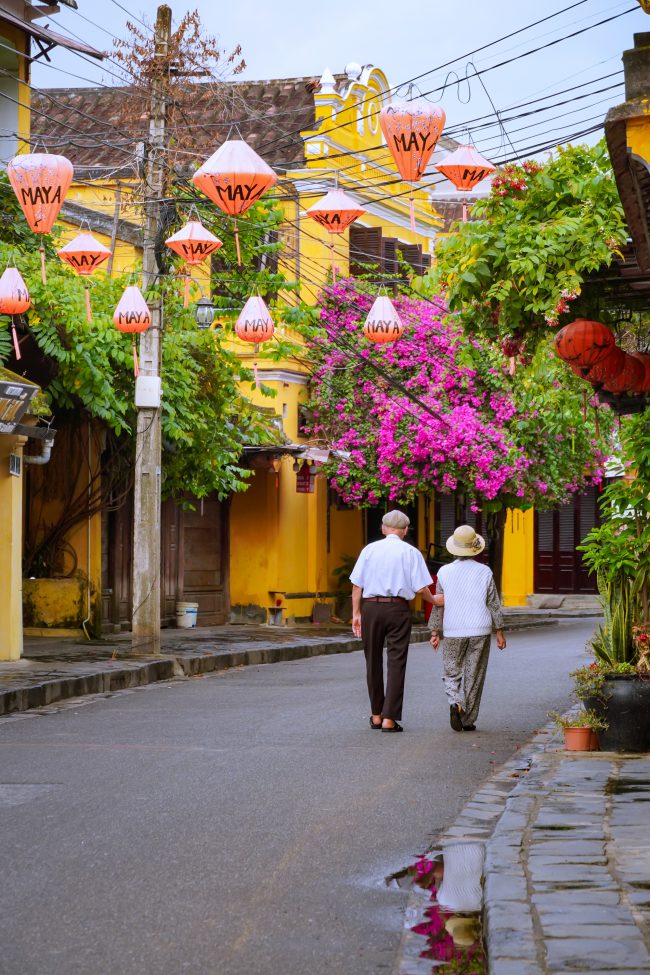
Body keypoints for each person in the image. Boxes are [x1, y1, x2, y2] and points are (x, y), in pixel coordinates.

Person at [350, 510, 436, 733]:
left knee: (372, 660)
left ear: (382, 528)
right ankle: (390, 718)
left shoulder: (369, 550)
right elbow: (420, 588)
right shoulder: (411, 552)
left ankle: (376, 715)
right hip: (397, 608)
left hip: (371, 607)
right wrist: (435, 600)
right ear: (405, 531)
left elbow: (357, 586)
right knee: (396, 660)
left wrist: (356, 613)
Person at [428, 524, 506, 732]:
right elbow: (493, 603)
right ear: (475, 547)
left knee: (451, 670)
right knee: (475, 673)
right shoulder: (485, 571)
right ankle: (468, 719)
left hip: (453, 629)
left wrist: (435, 632)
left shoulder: (444, 572)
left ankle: (455, 702)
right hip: (480, 628)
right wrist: (499, 630)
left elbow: (439, 602)